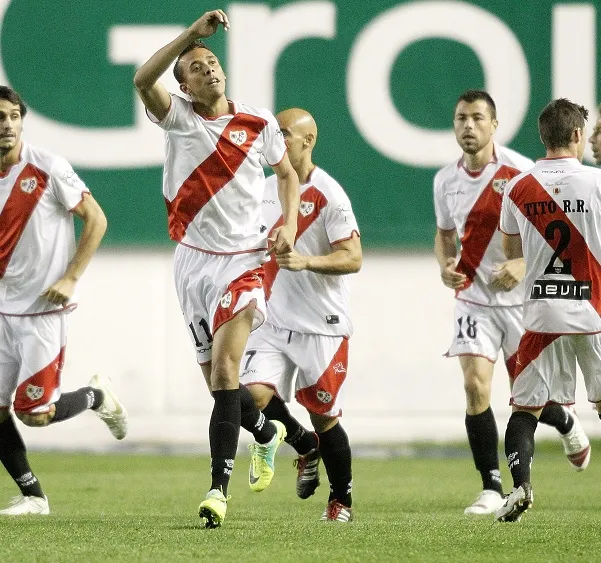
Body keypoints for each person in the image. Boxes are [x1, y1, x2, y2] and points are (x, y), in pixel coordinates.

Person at [133, 9, 300, 528]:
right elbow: (142, 79)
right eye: (195, 66)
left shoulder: (259, 122)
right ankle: (274, 434)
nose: (207, 68)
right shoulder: (178, 117)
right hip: (192, 263)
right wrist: (189, 35)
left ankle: (217, 492)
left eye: (211, 62)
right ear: (182, 85)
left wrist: (289, 224)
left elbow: (287, 175)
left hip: (245, 263)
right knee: (219, 388)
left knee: (229, 371)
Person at [433, 90, 590, 516]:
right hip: (474, 301)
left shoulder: (522, 173)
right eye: (461, 117)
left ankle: (568, 423)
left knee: (531, 397)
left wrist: (521, 263)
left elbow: (551, 236)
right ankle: (490, 486)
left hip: (523, 303)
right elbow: (445, 234)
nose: (468, 125)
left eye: (477, 118)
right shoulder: (444, 180)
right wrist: (445, 266)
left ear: (494, 125)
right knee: (475, 386)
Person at [0, 87, 128, 515]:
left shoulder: (47, 167)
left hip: (41, 312)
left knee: (34, 413)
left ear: (22, 121)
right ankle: (34, 498)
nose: (6, 125)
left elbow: (97, 218)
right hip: (0, 312)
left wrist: (71, 277)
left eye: (13, 116)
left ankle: (96, 396)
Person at [239, 108, 361, 522]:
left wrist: (305, 261)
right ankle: (300, 443)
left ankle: (341, 500)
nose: (277, 141)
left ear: (308, 141)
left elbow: (353, 257)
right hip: (270, 319)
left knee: (324, 416)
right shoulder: (259, 186)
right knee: (249, 398)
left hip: (320, 326)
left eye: (285, 135)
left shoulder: (329, 193)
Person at [496, 98, 601, 522]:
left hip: (542, 315)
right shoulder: (596, 184)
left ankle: (521, 488)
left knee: (525, 410)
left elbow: (511, 251)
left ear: (542, 135)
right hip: (593, 312)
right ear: (577, 135)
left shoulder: (519, 187)